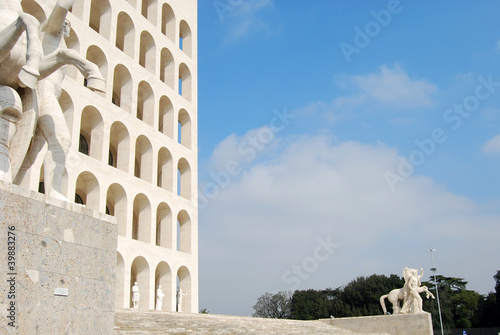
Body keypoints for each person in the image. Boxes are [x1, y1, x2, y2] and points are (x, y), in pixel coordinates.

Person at [20, 0, 104, 200]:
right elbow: (61, 8)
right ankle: (54, 191)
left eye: (68, 24)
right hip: (43, 92)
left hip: (51, 96)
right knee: (62, 140)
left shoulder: (59, 42)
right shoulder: (50, 34)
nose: (67, 26)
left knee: (30, 154)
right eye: (65, 23)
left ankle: (14, 184)